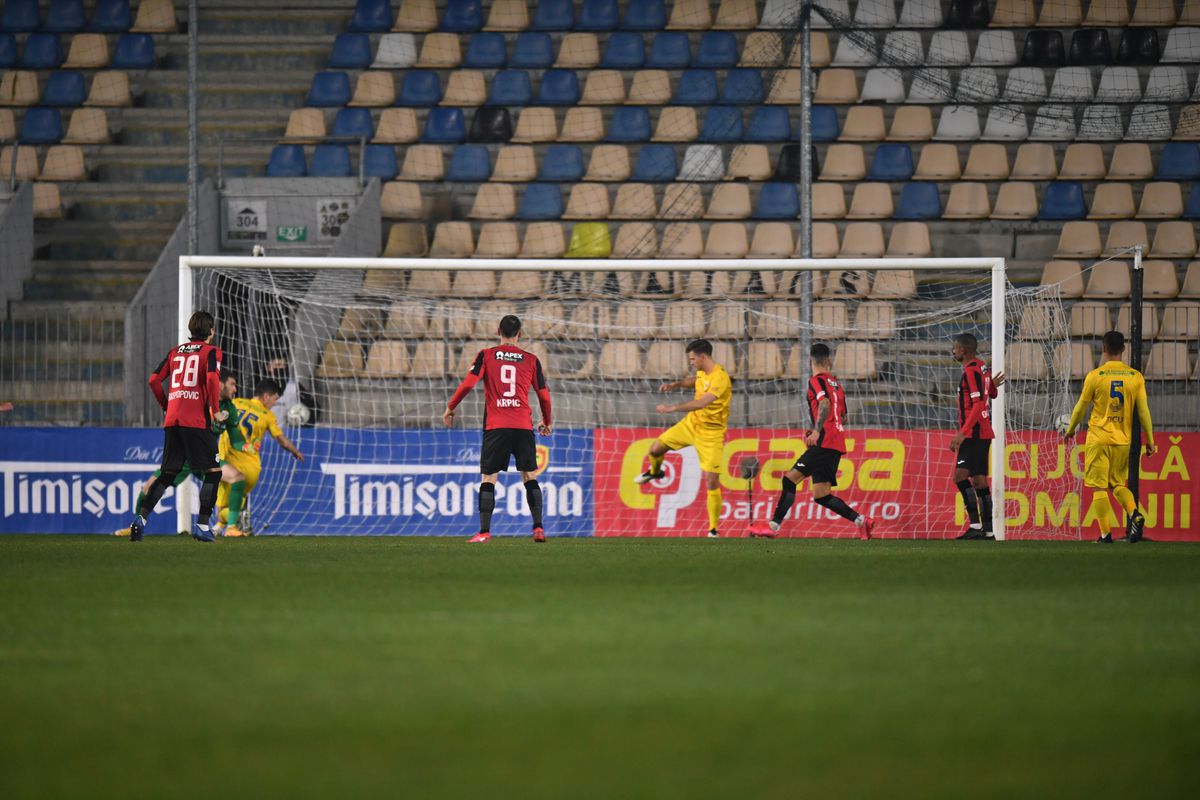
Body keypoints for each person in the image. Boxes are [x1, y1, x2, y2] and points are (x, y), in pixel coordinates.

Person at [443, 315, 552, 543]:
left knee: (488, 478)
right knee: (529, 475)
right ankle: (538, 528)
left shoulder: (487, 355)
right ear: (520, 333)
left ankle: (484, 532)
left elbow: (469, 384)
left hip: (497, 425)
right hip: (523, 425)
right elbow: (544, 395)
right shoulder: (531, 359)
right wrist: (547, 421)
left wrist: (451, 407)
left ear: (497, 330)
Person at [750, 344, 875, 540]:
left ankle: (773, 526)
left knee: (789, 479)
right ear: (829, 362)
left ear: (810, 362)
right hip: (836, 443)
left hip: (824, 442)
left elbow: (824, 403)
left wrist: (817, 431)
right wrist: (824, 427)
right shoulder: (837, 385)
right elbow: (843, 416)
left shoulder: (816, 381)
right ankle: (862, 522)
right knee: (822, 495)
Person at [128, 311, 225, 543]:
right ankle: (202, 525)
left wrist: (166, 405)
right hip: (196, 420)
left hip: (173, 420)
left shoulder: (175, 352)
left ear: (191, 330)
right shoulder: (212, 351)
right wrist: (214, 409)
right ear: (211, 331)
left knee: (168, 473)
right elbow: (212, 379)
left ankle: (139, 520)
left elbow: (153, 380)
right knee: (214, 471)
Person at [115, 371, 245, 537]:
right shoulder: (198, 398)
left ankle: (231, 528)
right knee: (148, 489)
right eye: (232, 384)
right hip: (182, 457)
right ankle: (135, 526)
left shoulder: (229, 409)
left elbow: (236, 441)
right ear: (219, 384)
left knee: (237, 477)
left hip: (206, 459)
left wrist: (247, 446)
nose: (235, 389)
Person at [1061, 330, 1156, 544]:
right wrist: (1150, 440)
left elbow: (1080, 408)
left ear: (1103, 349)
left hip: (1099, 438)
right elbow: (1143, 412)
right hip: (1122, 440)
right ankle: (1134, 514)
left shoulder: (1096, 376)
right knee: (1118, 484)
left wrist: (1070, 430)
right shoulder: (1135, 377)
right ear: (1123, 349)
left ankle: (1105, 535)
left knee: (1099, 487)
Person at [634, 339, 731, 538]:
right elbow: (695, 381)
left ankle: (713, 530)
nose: (692, 362)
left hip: (711, 434)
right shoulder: (703, 372)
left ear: (703, 357)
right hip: (691, 425)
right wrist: (675, 384)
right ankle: (655, 472)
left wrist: (672, 408)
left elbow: (702, 402)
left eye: (693, 359)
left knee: (711, 481)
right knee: (654, 449)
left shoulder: (720, 378)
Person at [214, 377, 304, 538]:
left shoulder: (235, 403)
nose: (275, 403)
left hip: (227, 462)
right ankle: (227, 525)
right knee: (237, 501)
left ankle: (232, 522)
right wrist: (295, 451)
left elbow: (218, 420)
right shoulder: (267, 415)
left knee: (222, 510)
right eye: (275, 399)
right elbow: (282, 440)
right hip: (251, 468)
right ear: (266, 397)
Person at [948, 333, 1005, 540]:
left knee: (960, 477)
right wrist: (991, 386)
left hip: (973, 433)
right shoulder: (982, 367)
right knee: (980, 481)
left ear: (962, 350)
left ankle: (974, 525)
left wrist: (962, 433)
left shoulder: (971, 372)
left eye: (955, 348)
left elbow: (979, 404)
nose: (953, 351)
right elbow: (992, 394)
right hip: (984, 432)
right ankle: (988, 531)